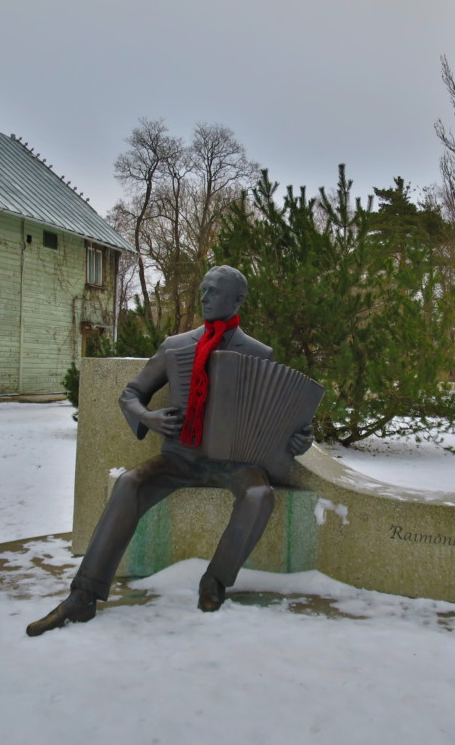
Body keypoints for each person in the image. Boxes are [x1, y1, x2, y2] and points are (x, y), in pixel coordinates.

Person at [26, 265, 312, 637]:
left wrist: (298, 438)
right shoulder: (176, 346)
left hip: (235, 460)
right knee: (130, 482)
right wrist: (149, 417)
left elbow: (276, 415)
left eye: (214, 292)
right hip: (180, 456)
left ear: (237, 300)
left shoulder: (259, 353)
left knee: (259, 494)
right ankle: (82, 596)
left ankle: (215, 581)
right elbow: (130, 394)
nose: (204, 297)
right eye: (203, 289)